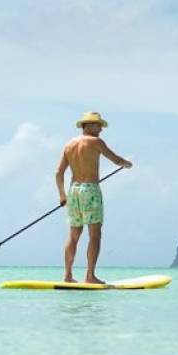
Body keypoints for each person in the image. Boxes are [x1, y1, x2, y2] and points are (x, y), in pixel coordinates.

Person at [55, 111, 132, 285]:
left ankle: (67, 276)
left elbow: (58, 173)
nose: (100, 130)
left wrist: (62, 195)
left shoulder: (69, 145)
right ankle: (90, 276)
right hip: (90, 190)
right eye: (98, 125)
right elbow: (115, 159)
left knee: (74, 235)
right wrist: (126, 164)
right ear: (88, 125)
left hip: (73, 191)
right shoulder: (95, 142)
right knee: (95, 235)